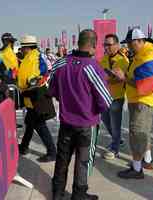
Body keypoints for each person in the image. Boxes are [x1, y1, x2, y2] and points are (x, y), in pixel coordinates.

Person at [49, 29, 112, 200]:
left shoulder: (60, 63)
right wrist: (92, 111)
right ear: (93, 46)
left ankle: (57, 193)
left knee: (62, 159)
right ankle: (79, 194)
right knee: (83, 161)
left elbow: (52, 90)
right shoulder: (93, 67)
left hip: (66, 122)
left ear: (78, 43)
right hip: (86, 124)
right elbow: (106, 100)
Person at [117, 28, 153, 179]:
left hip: (141, 102)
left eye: (131, 43)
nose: (129, 47)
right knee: (144, 133)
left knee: (137, 134)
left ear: (139, 41)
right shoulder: (142, 54)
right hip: (138, 101)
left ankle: (137, 169)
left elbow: (143, 84)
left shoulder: (148, 55)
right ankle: (147, 160)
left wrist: (123, 78)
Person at [17, 35, 57, 163]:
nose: (21, 50)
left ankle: (52, 152)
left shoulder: (36, 57)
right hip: (30, 96)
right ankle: (23, 147)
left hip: (36, 96)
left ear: (27, 48)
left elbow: (44, 72)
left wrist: (34, 82)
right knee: (29, 122)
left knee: (39, 125)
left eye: (22, 48)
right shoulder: (29, 57)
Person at [99, 34, 129, 160]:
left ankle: (115, 148)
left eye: (109, 44)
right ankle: (117, 139)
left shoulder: (123, 60)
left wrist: (107, 79)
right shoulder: (103, 59)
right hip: (105, 95)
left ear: (117, 45)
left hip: (117, 96)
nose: (107, 47)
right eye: (105, 44)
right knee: (106, 120)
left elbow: (122, 79)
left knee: (115, 123)